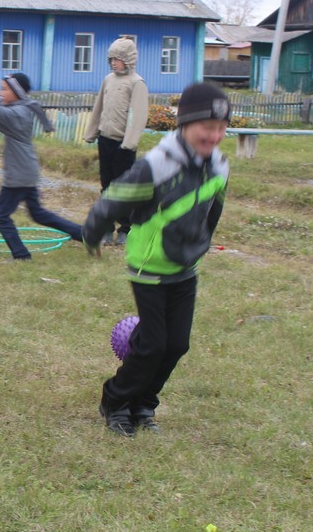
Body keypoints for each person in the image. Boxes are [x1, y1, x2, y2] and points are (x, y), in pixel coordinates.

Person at [82, 82, 231, 437]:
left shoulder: (220, 166)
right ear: (186, 124)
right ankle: (116, 400)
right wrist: (93, 231)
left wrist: (200, 243)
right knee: (152, 345)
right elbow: (114, 199)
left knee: (177, 344)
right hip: (149, 266)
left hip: (185, 267)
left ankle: (144, 404)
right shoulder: (156, 166)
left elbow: (214, 211)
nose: (215, 136)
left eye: (222, 128)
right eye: (207, 127)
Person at [0, 72, 83, 260]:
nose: (1, 92)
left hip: (19, 174)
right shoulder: (19, 105)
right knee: (38, 214)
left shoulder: (18, 114)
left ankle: (21, 255)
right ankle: (83, 234)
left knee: (0, 215)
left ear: (17, 92)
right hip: (26, 170)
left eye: (4, 89)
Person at [84, 36, 149, 246]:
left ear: (128, 60)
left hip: (123, 144)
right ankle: (107, 226)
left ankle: (125, 228)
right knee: (107, 185)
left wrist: (129, 143)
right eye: (111, 59)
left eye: (118, 59)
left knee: (124, 189)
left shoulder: (136, 83)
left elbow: (138, 115)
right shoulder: (108, 80)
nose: (114, 63)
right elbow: (99, 107)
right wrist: (92, 132)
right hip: (105, 140)